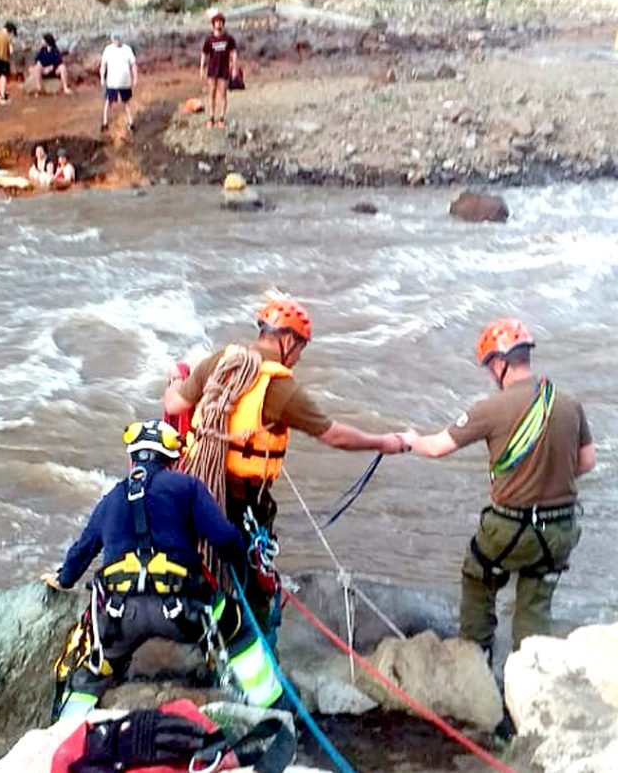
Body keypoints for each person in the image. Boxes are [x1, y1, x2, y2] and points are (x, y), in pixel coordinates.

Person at [163, 298, 409, 629]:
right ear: (288, 341)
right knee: (253, 586)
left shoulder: (221, 361)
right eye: (300, 350)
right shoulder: (281, 388)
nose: (298, 359)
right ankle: (256, 647)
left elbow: (174, 402)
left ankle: (203, 634)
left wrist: (178, 379)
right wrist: (383, 442)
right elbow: (333, 435)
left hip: (195, 490)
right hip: (242, 502)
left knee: (205, 569)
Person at [42, 420, 285, 721]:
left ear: (131, 459)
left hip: (120, 619)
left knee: (91, 661)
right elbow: (224, 538)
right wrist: (239, 564)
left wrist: (60, 578)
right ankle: (272, 709)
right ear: (172, 460)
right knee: (237, 627)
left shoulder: (110, 500)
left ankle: (66, 726)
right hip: (184, 614)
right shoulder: (187, 487)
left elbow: (80, 555)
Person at [401, 318, 595, 660]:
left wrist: (410, 440)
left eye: (490, 365)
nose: (491, 373)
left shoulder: (489, 409)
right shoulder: (568, 403)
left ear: (500, 363)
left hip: (509, 529)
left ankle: (476, 657)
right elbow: (586, 462)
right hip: (560, 532)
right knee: (535, 603)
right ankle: (530, 670)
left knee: (477, 574)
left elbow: (436, 448)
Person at [200, 9, 237, 130]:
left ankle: (221, 118)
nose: (219, 24)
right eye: (216, 22)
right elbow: (204, 54)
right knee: (211, 94)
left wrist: (234, 67)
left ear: (223, 23)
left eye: (221, 22)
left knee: (223, 94)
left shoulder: (229, 39)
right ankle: (211, 117)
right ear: (213, 24)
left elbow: (234, 52)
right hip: (212, 70)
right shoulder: (209, 40)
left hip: (224, 70)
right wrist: (201, 68)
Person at [99, 30, 137, 132]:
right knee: (108, 102)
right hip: (112, 82)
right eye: (114, 38)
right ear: (112, 39)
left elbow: (133, 65)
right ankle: (105, 122)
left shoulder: (127, 49)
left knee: (126, 103)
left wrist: (135, 77)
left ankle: (130, 122)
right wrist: (102, 77)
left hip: (125, 82)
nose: (116, 40)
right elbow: (103, 65)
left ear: (121, 38)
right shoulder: (108, 49)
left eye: (118, 38)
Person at [0, 20, 17, 105]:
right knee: (3, 77)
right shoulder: (7, 37)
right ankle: (2, 96)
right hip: (4, 59)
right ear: (10, 30)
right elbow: (11, 51)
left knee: (0, 76)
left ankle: (2, 94)